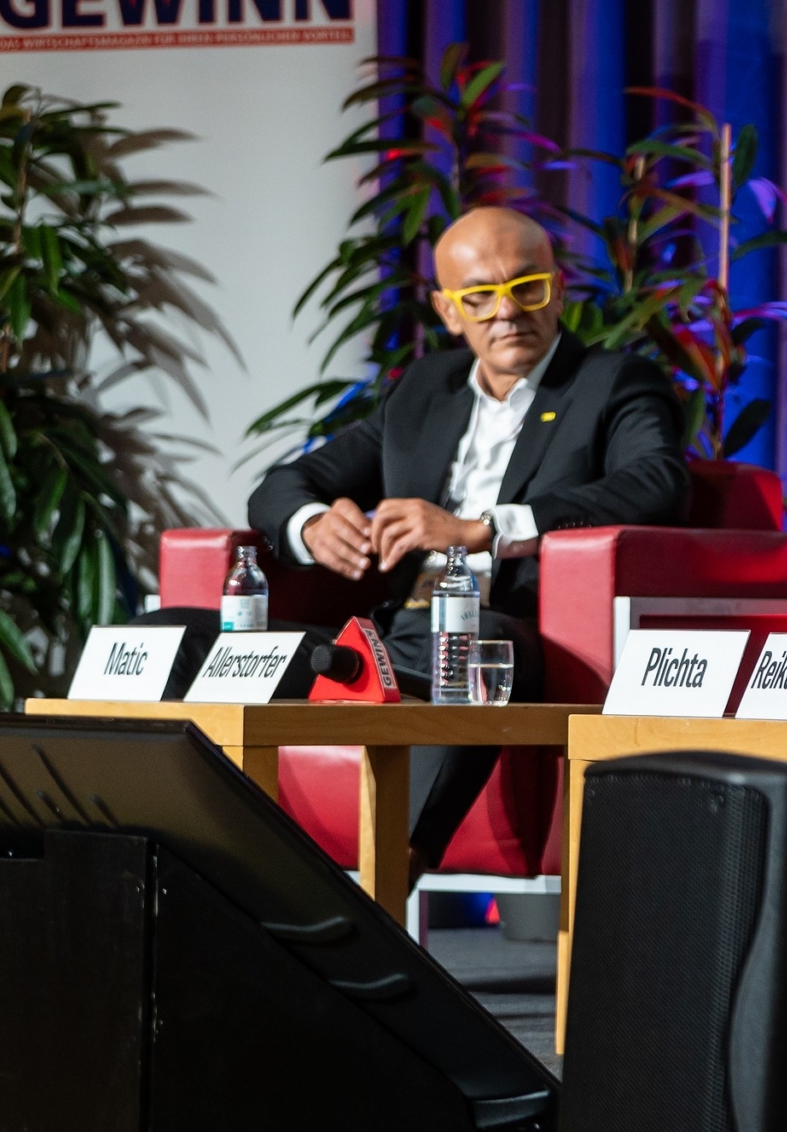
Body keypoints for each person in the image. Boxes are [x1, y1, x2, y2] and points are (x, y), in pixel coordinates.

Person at [144, 205, 688, 866]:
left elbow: (657, 481)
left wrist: (482, 529)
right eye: (479, 296)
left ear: (559, 289)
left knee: (472, 644)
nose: (506, 312)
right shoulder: (425, 391)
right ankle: (176, 857)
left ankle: (393, 874)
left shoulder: (612, 382)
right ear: (448, 311)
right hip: (385, 645)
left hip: (503, 639)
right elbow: (285, 483)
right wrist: (313, 524)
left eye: (527, 287)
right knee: (166, 635)